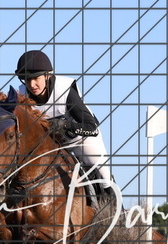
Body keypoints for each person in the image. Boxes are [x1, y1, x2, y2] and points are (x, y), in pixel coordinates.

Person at [15, 50, 115, 195]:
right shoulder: (22, 96)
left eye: (36, 78)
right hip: (52, 144)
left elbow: (91, 127)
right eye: (27, 79)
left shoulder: (64, 90)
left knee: (103, 173)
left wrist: (66, 125)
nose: (32, 84)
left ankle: (112, 200)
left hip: (80, 138)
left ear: (47, 75)